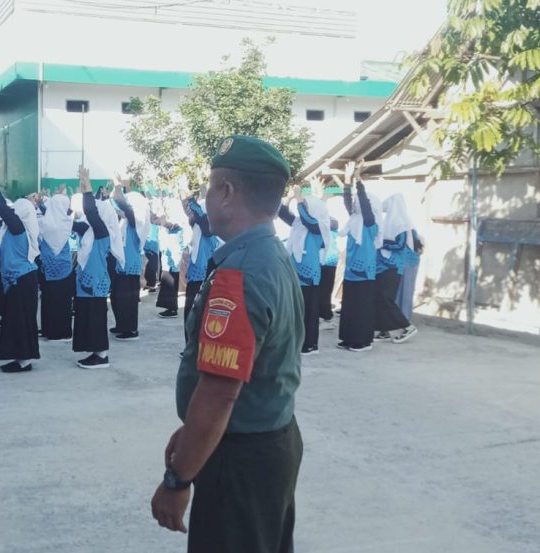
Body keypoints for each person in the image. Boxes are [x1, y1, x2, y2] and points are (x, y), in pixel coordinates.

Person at [151, 135, 303, 553]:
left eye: (208, 187)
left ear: (227, 193)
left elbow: (220, 393)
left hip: (241, 461)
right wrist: (194, 432)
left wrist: (177, 480)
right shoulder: (271, 255)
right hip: (266, 441)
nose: (206, 197)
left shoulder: (241, 273)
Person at [0, 163, 41, 373]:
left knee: (20, 321)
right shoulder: (15, 229)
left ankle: (24, 361)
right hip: (20, 280)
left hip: (22, 281)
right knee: (17, 321)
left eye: (16, 210)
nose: (12, 212)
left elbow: (4, 209)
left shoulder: (18, 227)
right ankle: (20, 357)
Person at [72, 167, 122, 369]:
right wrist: (82, 187)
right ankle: (95, 352)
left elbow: (91, 211)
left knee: (96, 318)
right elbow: (77, 220)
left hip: (95, 284)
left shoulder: (102, 233)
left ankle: (101, 356)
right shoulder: (91, 232)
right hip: (87, 284)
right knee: (88, 318)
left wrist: (88, 185)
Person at [278, 183, 332, 355]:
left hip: (309, 274)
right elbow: (282, 213)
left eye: (308, 207)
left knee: (309, 310)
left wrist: (299, 197)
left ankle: (310, 344)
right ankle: (297, 341)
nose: (305, 210)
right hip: (295, 272)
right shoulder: (299, 224)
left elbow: (307, 218)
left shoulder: (319, 226)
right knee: (297, 309)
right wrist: (289, 198)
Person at [337, 162, 380, 352]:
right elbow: (349, 202)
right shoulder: (353, 220)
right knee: (349, 307)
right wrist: (347, 182)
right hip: (351, 271)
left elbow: (364, 205)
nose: (355, 205)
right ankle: (349, 338)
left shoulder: (371, 223)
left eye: (358, 202)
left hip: (364, 272)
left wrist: (359, 182)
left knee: (361, 308)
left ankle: (363, 341)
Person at [373, 193, 418, 344]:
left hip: (393, 266)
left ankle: (407, 327)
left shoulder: (401, 223)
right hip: (382, 265)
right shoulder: (389, 222)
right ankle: (384, 330)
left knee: (387, 299)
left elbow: (400, 244)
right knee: (380, 298)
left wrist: (382, 244)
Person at [110, 180, 149, 341]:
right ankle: (121, 324)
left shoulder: (135, 223)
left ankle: (130, 329)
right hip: (121, 264)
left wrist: (120, 193)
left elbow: (129, 211)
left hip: (129, 265)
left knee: (128, 298)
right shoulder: (125, 222)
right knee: (117, 296)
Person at [38, 190, 75, 342]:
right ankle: (62, 331)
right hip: (64, 267)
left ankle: (47, 329)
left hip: (47, 266)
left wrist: (41, 205)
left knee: (48, 299)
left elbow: (50, 214)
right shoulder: (67, 222)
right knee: (63, 302)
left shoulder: (45, 222)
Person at [183, 197, 220, 324]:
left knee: (194, 313)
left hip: (203, 273)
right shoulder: (200, 227)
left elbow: (201, 217)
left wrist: (190, 200)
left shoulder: (207, 226)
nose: (189, 214)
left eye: (191, 211)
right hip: (198, 271)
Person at [156, 197, 187, 319]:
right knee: (167, 278)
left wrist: (162, 220)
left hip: (173, 255)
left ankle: (172, 308)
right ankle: (169, 307)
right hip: (168, 253)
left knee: (171, 279)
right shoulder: (171, 218)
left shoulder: (178, 219)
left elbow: (170, 225)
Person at [397, 230, 424, 321]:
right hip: (410, 265)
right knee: (407, 291)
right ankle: (404, 317)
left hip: (404, 266)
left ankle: (401, 317)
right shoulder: (414, 234)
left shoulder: (407, 233)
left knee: (402, 291)